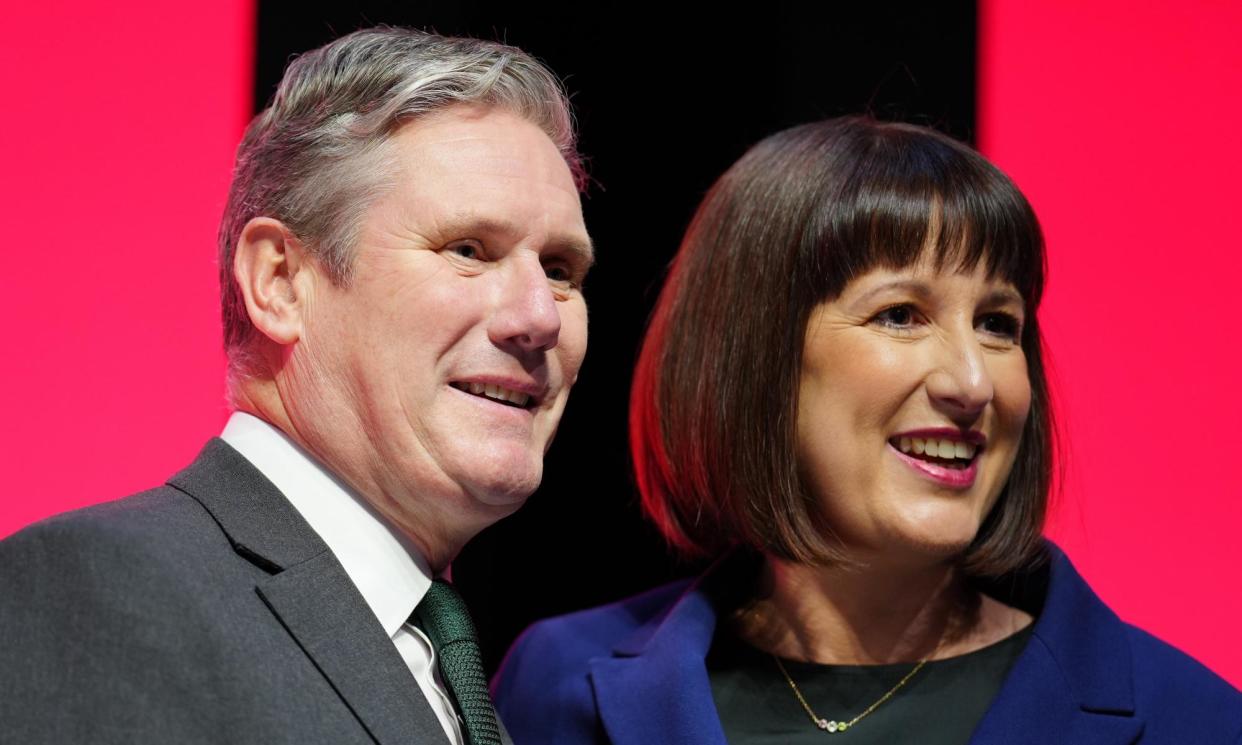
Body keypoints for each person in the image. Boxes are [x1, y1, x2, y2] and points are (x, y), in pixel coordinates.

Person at [491, 117, 1242, 744]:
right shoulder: (555, 690)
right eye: (901, 315)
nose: (971, 382)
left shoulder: (1195, 721)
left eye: (997, 324)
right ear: (757, 357)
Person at [0, 27, 592, 745]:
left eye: (561, 269)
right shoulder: (99, 591)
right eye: (468, 250)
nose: (539, 318)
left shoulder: (452, 670)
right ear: (279, 282)